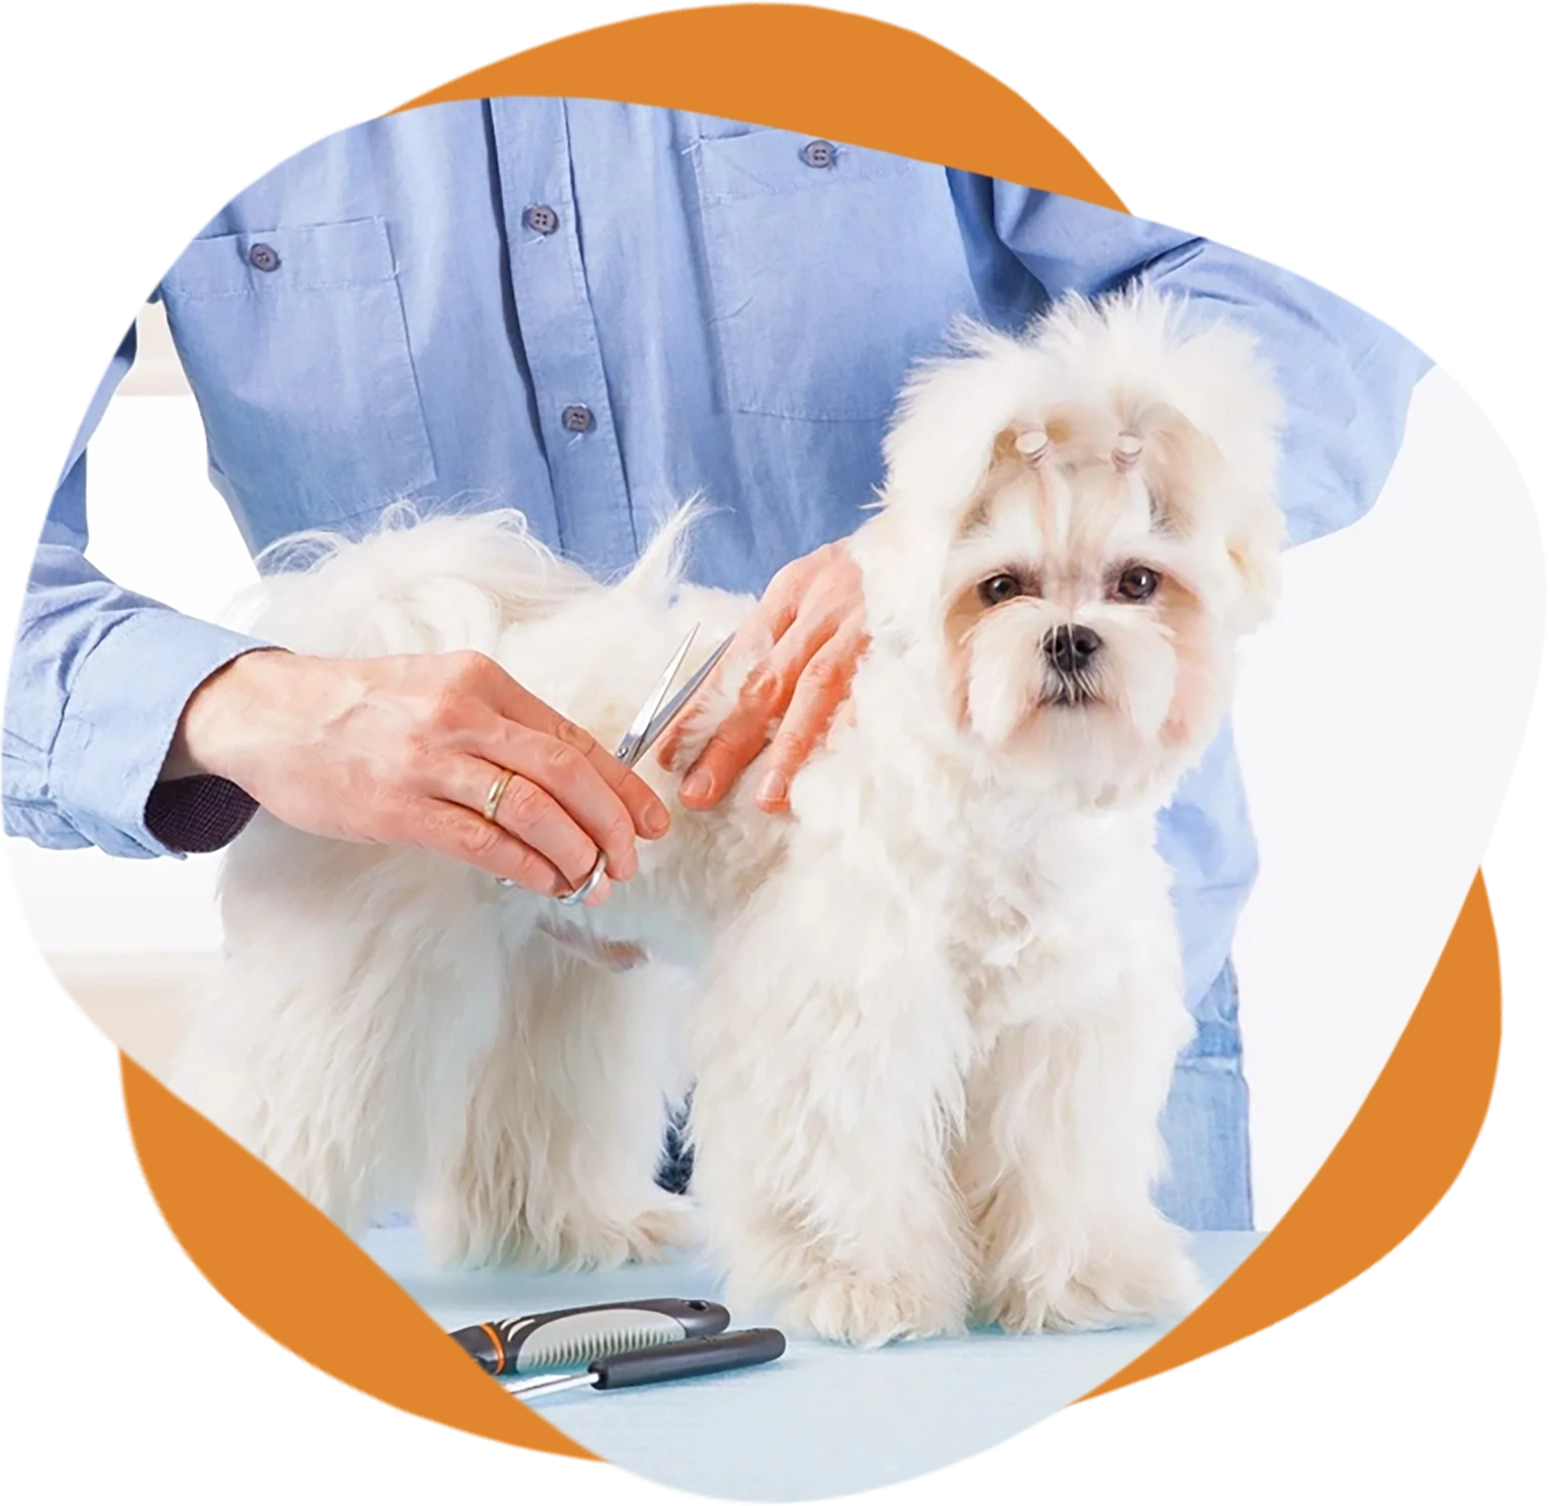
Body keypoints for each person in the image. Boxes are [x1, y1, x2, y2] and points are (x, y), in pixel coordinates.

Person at [5, 99, 1435, 1229]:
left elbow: (1311, 309)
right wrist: (237, 699)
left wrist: (951, 536)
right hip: (443, 1010)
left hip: (1008, 1001)